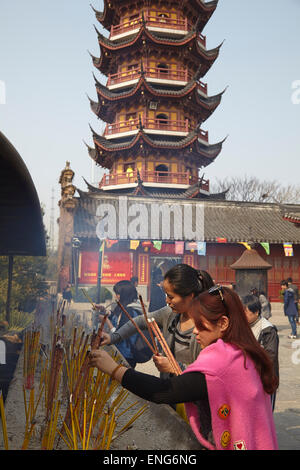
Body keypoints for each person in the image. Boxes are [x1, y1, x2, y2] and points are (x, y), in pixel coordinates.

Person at [90, 286, 278, 450]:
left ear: (223, 323)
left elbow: (165, 392)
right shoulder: (244, 350)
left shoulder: (222, 362)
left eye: (200, 325)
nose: (194, 330)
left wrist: (113, 369)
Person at [100, 264, 214, 378]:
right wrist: (113, 337)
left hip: (187, 392)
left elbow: (205, 374)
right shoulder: (170, 314)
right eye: (166, 295)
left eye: (171, 297)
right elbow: (139, 321)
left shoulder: (206, 328)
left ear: (190, 296)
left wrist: (173, 367)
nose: (167, 301)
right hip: (166, 386)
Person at [242, 294, 279, 411]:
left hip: (265, 378)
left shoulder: (268, 330)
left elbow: (270, 356)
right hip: (248, 378)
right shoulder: (244, 326)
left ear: (256, 312)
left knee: (265, 412)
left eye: (245, 312)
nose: (242, 315)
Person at [107, 280, 143, 368]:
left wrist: (107, 321)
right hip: (123, 353)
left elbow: (119, 335)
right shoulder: (126, 307)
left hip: (125, 355)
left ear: (124, 294)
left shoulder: (130, 311)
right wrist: (107, 313)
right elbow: (117, 318)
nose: (116, 296)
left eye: (117, 294)